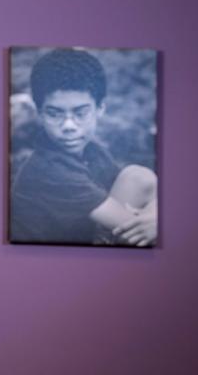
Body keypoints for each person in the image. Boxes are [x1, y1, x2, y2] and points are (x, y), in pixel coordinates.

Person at [10, 48, 158, 246]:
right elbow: (132, 227)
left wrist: (155, 216)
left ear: (100, 109)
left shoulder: (91, 151)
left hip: (86, 238)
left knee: (139, 177)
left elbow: (138, 197)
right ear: (40, 113)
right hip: (56, 263)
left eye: (80, 113)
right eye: (54, 113)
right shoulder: (47, 170)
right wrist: (157, 218)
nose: (69, 126)